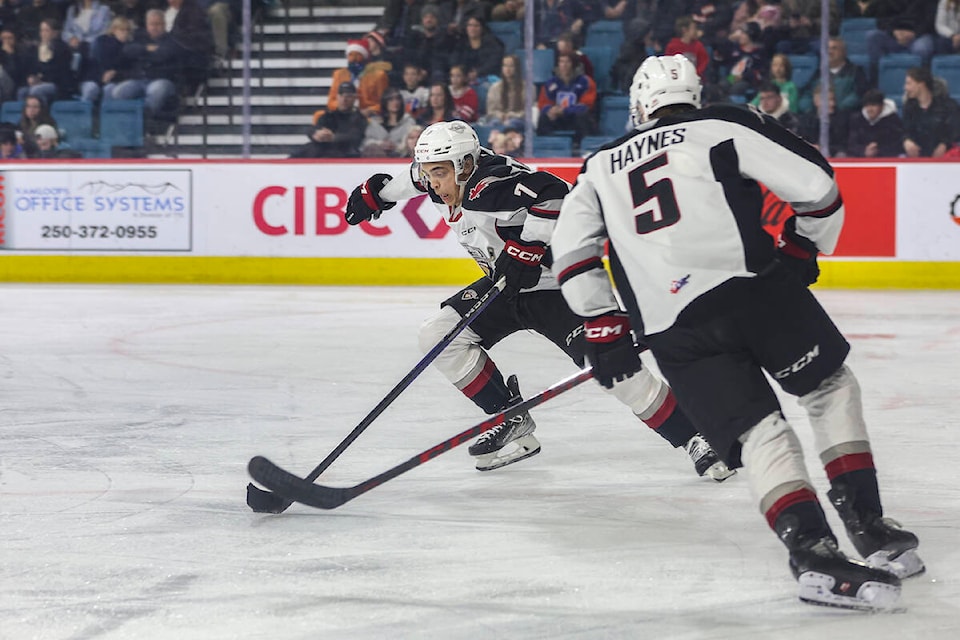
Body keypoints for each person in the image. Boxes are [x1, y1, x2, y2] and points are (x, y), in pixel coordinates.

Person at [551, 53, 924, 611]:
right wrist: (804, 246)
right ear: (694, 95)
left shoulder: (599, 164)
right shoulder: (723, 123)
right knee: (828, 389)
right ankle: (868, 524)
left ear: (638, 105)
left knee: (760, 434)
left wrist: (600, 321)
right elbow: (818, 186)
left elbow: (571, 251)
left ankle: (815, 558)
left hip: (672, 332)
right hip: (752, 293)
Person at [342, 119, 735, 480]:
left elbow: (554, 192)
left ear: (464, 165)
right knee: (438, 336)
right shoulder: (445, 175)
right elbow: (413, 179)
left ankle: (695, 437)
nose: (434, 185)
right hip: (507, 288)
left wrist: (527, 248)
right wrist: (377, 194)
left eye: (440, 173)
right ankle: (509, 417)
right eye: (430, 173)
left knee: (614, 369)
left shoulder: (488, 185)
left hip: (558, 288)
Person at [290, 81, 367, 158]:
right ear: (337, 97)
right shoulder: (329, 115)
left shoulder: (359, 118)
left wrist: (333, 137)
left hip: (345, 152)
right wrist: (316, 134)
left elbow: (355, 137)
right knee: (298, 153)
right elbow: (315, 128)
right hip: (324, 150)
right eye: (341, 96)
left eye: (348, 96)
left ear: (354, 98)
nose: (344, 99)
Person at [536, 51, 598, 146]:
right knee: (544, 117)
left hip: (574, 118)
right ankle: (547, 146)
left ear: (574, 64)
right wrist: (550, 109)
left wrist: (564, 111)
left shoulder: (585, 82)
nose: (564, 65)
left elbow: (586, 105)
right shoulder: (551, 83)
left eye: (567, 62)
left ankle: (581, 146)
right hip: (558, 119)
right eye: (561, 62)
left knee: (582, 116)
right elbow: (543, 103)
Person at [901, 65, 960, 157]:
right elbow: (904, 130)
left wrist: (944, 144)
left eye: (909, 83)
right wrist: (906, 140)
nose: (905, 88)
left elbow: (955, 130)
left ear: (921, 84)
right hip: (916, 158)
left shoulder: (948, 105)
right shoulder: (909, 107)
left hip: (946, 158)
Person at [20, 18, 77, 105]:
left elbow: (59, 70)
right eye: (42, 30)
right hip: (39, 81)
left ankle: (42, 116)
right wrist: (31, 77)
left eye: (47, 30)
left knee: (37, 90)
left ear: (55, 32)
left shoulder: (62, 48)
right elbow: (32, 67)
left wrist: (40, 79)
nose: (43, 34)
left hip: (57, 84)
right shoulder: (36, 49)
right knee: (22, 92)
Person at [327, 39, 390, 118]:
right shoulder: (338, 74)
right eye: (350, 55)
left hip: (367, 115)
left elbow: (384, 102)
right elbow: (331, 101)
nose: (353, 58)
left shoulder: (379, 75)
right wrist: (343, 106)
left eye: (357, 55)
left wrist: (370, 110)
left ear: (364, 56)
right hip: (343, 112)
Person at [847, 87, 904, 157]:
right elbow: (851, 144)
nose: (870, 109)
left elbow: (898, 145)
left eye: (873, 105)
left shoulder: (893, 120)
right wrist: (864, 151)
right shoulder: (857, 119)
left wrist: (878, 151)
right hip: (861, 161)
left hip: (886, 161)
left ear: (882, 106)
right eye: (867, 105)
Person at [360, 87, 417, 157]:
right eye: (391, 100)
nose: (395, 102)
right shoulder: (374, 123)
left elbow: (412, 141)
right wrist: (380, 144)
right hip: (377, 160)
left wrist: (395, 147)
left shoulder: (409, 122)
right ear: (385, 102)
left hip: (401, 159)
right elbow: (365, 142)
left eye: (397, 99)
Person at [479, 53, 526, 131]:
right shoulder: (495, 88)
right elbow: (490, 111)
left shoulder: (527, 88)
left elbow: (528, 111)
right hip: (498, 119)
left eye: (511, 66)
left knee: (510, 124)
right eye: (505, 65)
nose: (507, 69)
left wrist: (512, 115)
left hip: (519, 120)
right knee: (493, 124)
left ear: (517, 68)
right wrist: (500, 115)